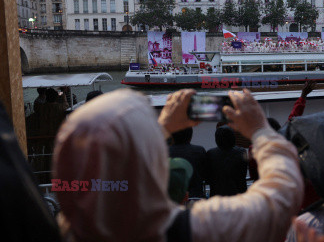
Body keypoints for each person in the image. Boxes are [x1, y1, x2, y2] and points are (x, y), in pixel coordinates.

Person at [53, 88, 303, 242]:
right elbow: (282, 196)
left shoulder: (64, 229)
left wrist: (160, 129)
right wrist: (261, 131)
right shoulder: (193, 228)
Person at [206, 126, 247, 197]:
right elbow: (243, 173)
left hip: (217, 195)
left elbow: (207, 176)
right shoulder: (242, 152)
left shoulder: (211, 153)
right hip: (239, 195)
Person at [168, 127, 207, 199]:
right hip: (196, 196)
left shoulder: (166, 151)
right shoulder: (199, 151)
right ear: (190, 136)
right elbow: (206, 174)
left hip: (173, 198)